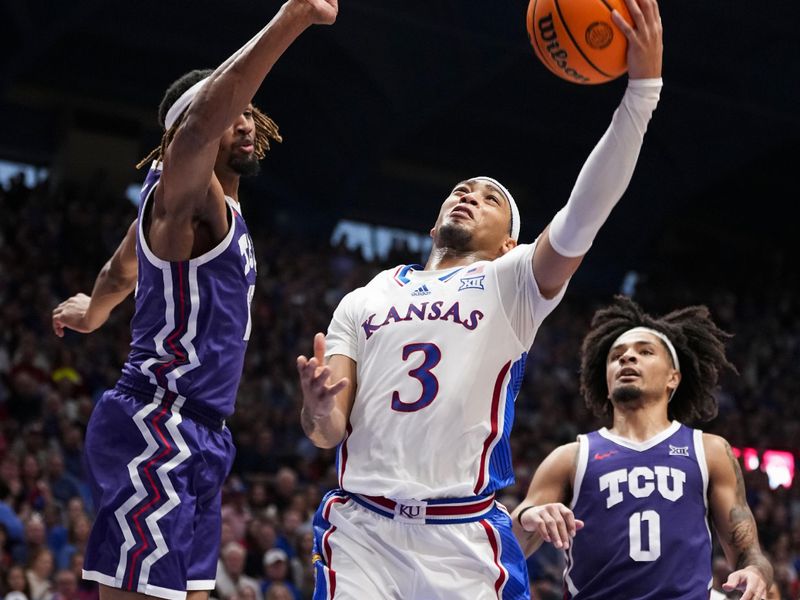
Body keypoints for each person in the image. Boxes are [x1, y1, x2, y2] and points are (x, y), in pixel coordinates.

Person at [296, 0, 664, 596]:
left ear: (511, 240)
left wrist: (641, 92)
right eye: (460, 190)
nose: (467, 195)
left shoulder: (512, 281)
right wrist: (316, 407)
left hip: (463, 535)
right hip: (361, 529)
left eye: (489, 197)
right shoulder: (368, 294)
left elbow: (586, 213)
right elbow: (325, 431)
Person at [50, 2, 338, 600]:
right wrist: (293, 17)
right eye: (234, 113)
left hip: (204, 434)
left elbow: (119, 267)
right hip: (157, 423)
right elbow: (200, 127)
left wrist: (93, 312)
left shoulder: (189, 213)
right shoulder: (185, 196)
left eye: (250, 114)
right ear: (191, 132)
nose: (246, 123)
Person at [511, 295, 774, 599]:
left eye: (645, 351)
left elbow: (748, 552)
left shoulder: (709, 451)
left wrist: (754, 571)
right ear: (606, 382)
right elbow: (509, 548)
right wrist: (526, 518)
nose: (627, 358)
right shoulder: (570, 457)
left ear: (673, 378)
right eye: (616, 356)